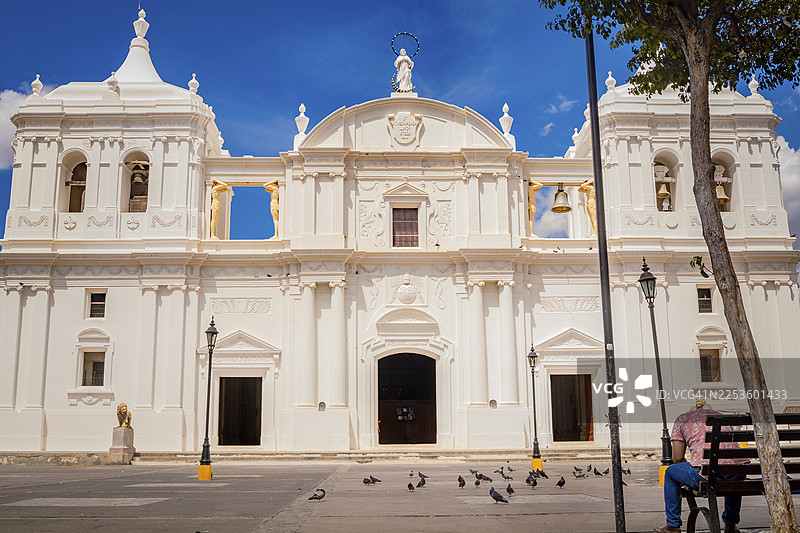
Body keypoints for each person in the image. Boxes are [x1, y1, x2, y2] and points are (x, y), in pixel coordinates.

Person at [654, 399, 745, 533]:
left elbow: (678, 458)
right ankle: (730, 525)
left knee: (670, 472)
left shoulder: (683, 419)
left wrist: (691, 469)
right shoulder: (723, 417)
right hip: (736, 475)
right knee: (732, 470)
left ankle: (673, 525)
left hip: (706, 475)